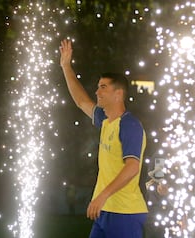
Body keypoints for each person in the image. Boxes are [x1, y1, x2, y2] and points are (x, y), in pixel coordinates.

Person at [59, 39, 148, 238]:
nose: (97, 92)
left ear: (118, 94)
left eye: (103, 87)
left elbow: (133, 166)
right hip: (105, 211)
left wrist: (102, 196)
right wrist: (66, 66)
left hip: (125, 213)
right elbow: (82, 101)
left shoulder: (129, 124)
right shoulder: (106, 121)